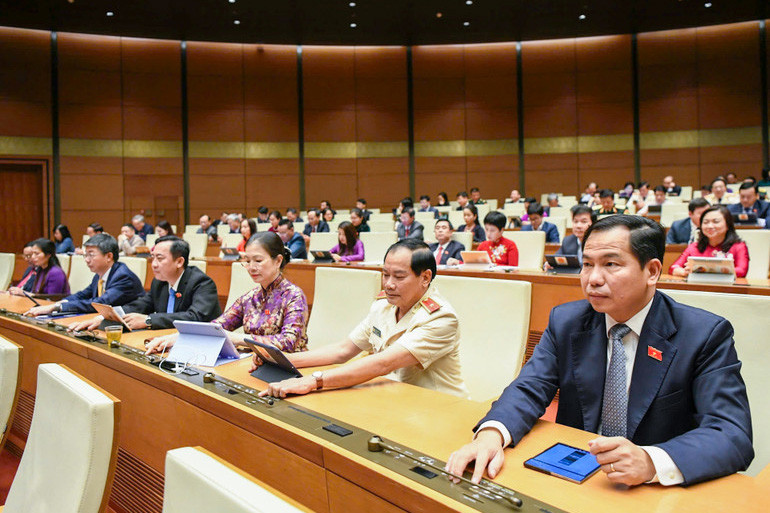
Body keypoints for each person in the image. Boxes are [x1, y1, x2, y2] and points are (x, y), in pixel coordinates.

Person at [447, 215, 753, 487]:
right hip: (574, 477)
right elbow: (529, 387)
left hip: (654, 491)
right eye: (587, 264)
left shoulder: (703, 335)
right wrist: (492, 435)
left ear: (652, 271)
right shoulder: (567, 321)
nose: (592, 279)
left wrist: (652, 461)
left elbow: (731, 433)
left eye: (611, 264)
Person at [256, 239, 468, 398]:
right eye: (385, 274)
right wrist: (280, 360)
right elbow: (343, 351)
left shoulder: (441, 318)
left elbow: (383, 363)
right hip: (393, 397)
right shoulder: (383, 306)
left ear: (425, 277)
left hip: (436, 406)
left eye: (399, 277)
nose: (389, 284)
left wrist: (313, 381)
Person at [146, 232, 308, 354]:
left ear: (278, 260)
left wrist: (237, 338)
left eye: (258, 261)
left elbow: (289, 342)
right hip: (256, 364)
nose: (251, 267)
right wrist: (175, 338)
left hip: (292, 369)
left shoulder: (293, 296)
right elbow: (217, 327)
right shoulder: (250, 298)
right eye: (247, 261)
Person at [71, 236, 221, 331]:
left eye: (160, 258)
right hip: (165, 341)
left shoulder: (201, 283)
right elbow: (140, 305)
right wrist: (107, 316)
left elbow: (194, 317)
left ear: (179, 261)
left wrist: (149, 320)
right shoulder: (160, 282)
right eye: (152, 257)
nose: (154, 264)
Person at [25, 234, 145, 316]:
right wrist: (61, 303)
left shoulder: (123, 276)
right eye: (85, 255)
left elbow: (100, 303)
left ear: (109, 256)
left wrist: (57, 308)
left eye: (91, 255)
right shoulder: (100, 274)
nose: (86, 260)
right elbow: (83, 294)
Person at [670, 205, 749, 278]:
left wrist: (703, 270)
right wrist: (684, 272)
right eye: (706, 222)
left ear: (728, 225)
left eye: (716, 221)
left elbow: (742, 271)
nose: (710, 226)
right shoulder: (694, 246)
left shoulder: (739, 246)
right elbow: (673, 267)